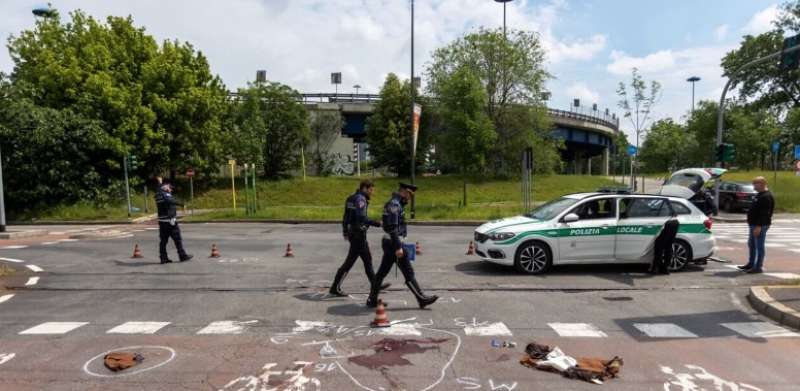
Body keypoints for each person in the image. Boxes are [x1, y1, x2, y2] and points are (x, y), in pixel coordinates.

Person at [367, 183, 438, 309]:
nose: (410, 197)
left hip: (390, 242)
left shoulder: (396, 203)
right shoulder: (394, 204)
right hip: (394, 243)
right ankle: (421, 298)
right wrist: (399, 247)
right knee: (408, 271)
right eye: (409, 194)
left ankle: (372, 300)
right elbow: (392, 228)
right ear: (404, 192)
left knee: (381, 273)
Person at [329, 180, 390, 296]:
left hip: (354, 233)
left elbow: (346, 216)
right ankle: (334, 288)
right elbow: (361, 217)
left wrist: (345, 231)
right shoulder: (361, 199)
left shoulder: (351, 198)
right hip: (358, 235)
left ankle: (375, 284)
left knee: (368, 261)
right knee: (349, 263)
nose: (372, 193)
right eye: (371, 190)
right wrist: (378, 223)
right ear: (365, 188)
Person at [738, 176, 774, 274]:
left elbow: (765, 213)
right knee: (752, 244)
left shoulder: (766, 196)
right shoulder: (759, 195)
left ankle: (758, 267)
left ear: (762, 184)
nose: (753, 186)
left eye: (755, 184)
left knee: (759, 246)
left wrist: (758, 226)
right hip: (754, 224)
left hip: (760, 225)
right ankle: (751, 263)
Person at [155, 181, 193, 264]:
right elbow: (170, 200)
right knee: (177, 239)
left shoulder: (158, 195)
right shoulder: (165, 194)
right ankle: (182, 256)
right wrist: (181, 204)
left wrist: (160, 185)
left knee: (163, 241)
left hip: (162, 221)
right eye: (170, 188)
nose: (171, 190)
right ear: (165, 187)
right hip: (170, 221)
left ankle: (163, 258)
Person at [650, 208, 679, 275]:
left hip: (667, 222)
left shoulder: (659, 203)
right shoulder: (665, 202)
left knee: (659, 247)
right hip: (675, 222)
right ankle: (665, 268)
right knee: (668, 247)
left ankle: (655, 268)